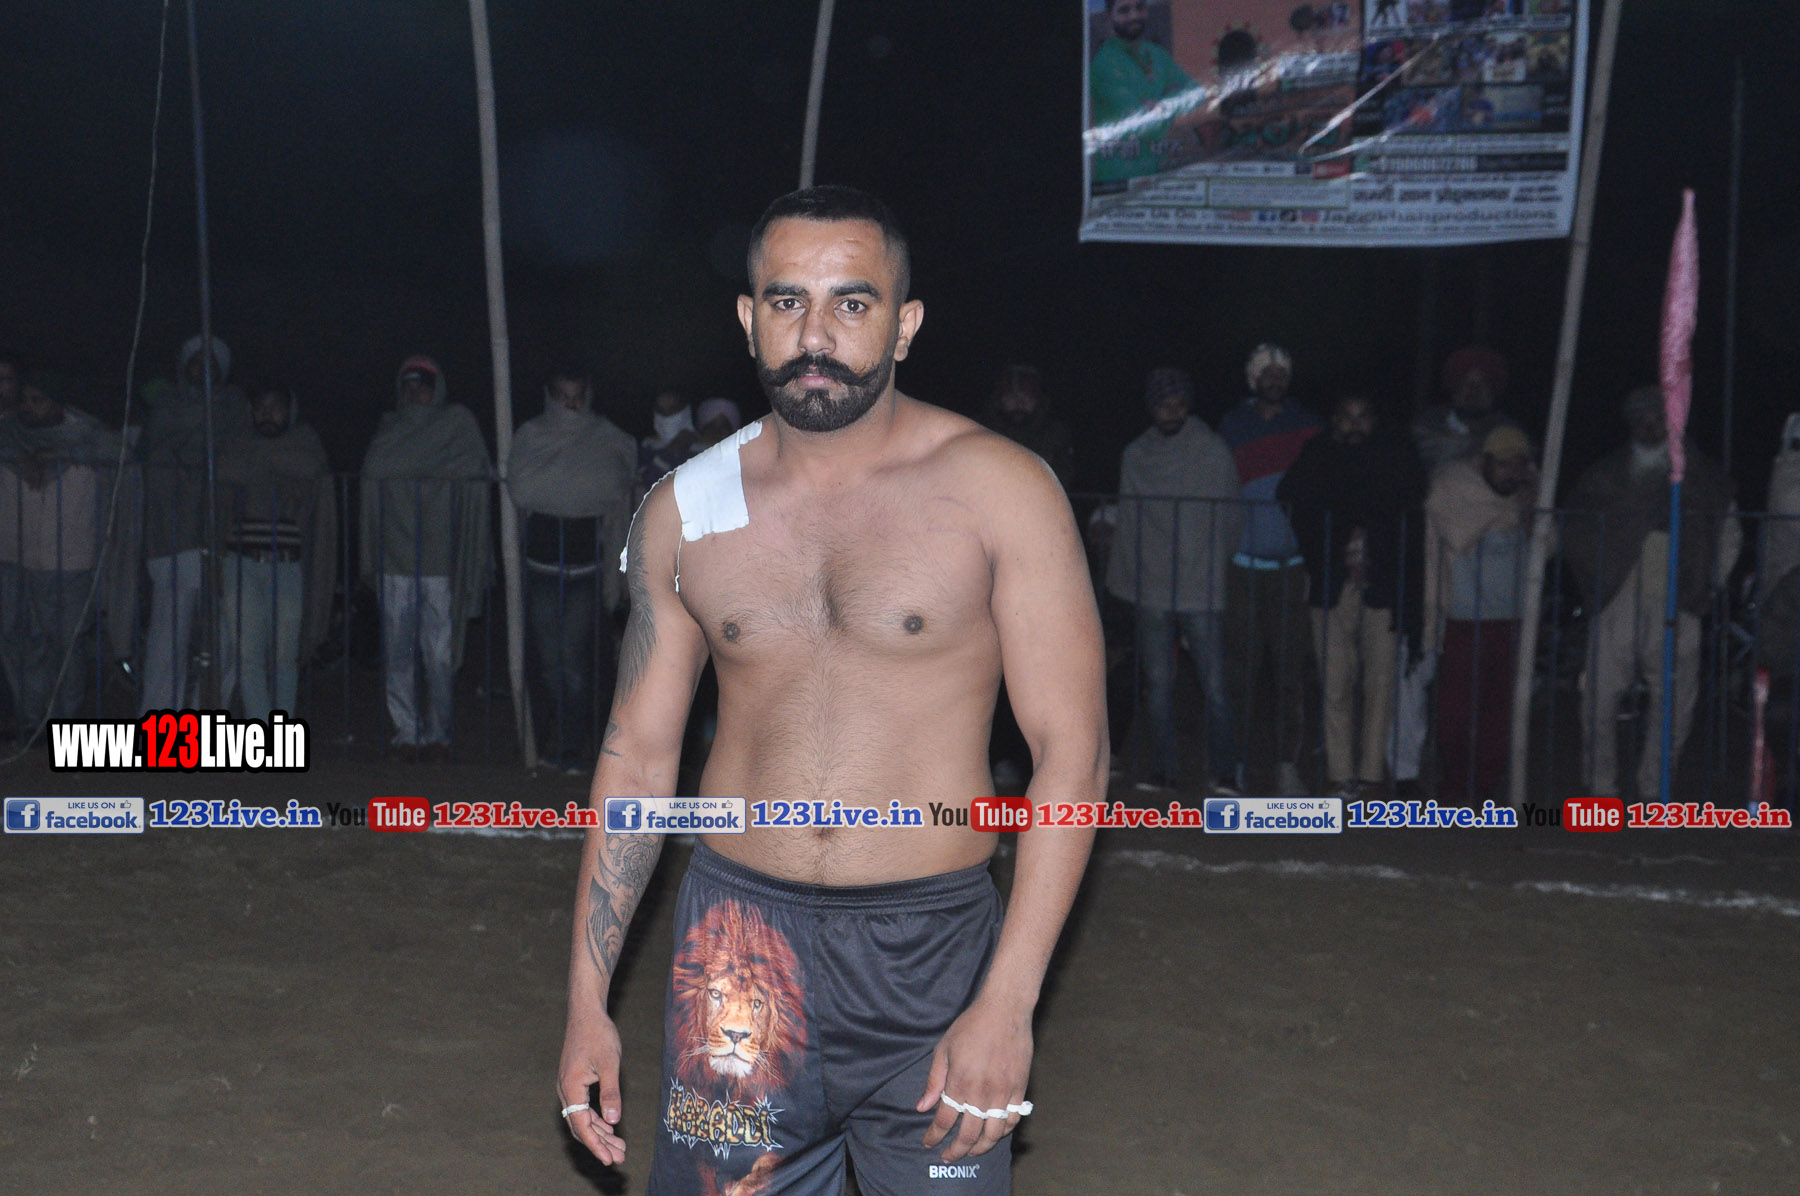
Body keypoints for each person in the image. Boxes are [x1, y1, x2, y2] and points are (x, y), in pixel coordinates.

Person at [557, 186, 1105, 1196]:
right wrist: (588, 1001)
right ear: (747, 317)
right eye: (787, 302)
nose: (816, 336)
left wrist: (1009, 1001)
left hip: (931, 955)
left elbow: (1073, 752)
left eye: (852, 303)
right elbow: (637, 754)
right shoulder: (683, 510)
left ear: (906, 323)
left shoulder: (1001, 489)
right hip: (735, 949)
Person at [1564, 386, 1738, 799]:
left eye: (1658, 417)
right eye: (1642, 418)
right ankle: (1601, 788)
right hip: (1616, 595)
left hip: (1681, 596)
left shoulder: (1705, 477)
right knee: (1599, 696)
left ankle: (1655, 789)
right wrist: (1595, 578)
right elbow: (1577, 528)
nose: (1650, 425)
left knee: (1674, 702)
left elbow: (1728, 533)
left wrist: (1711, 583)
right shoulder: (1605, 475)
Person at [1279, 393, 1425, 797]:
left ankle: (1372, 775)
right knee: (1335, 681)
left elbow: (1410, 513)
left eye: (1363, 417)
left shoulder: (1396, 459)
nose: (1355, 425)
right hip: (1331, 583)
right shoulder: (1318, 456)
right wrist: (1328, 543)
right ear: (1335, 420)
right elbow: (1292, 499)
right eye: (1347, 417)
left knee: (1380, 682)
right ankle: (1340, 774)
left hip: (1382, 586)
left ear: (1375, 421)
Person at [1105, 367, 1242, 793]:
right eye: (1164, 404)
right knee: (1158, 686)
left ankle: (1225, 771)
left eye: (1179, 403)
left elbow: (1231, 517)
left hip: (1201, 587)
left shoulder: (1212, 451)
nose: (1172, 411)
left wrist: (1214, 566)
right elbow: (1129, 521)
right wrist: (1125, 580)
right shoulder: (1136, 455)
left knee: (1215, 686)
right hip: (1153, 587)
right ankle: (1165, 769)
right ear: (1152, 408)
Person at [359, 356, 492, 761]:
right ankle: (406, 731)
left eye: (424, 385)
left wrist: (412, 466)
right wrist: (435, 467)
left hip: (441, 558)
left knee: (439, 654)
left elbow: (475, 466)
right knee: (397, 652)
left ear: (438, 388)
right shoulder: (390, 427)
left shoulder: (457, 423)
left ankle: (439, 731)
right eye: (409, 385)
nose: (416, 393)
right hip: (395, 557)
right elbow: (375, 466)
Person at [507, 366, 637, 773]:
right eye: (563, 396)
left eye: (577, 396)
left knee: (576, 662)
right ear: (550, 396)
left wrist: (564, 489)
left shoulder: (607, 437)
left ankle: (572, 745)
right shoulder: (532, 436)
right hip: (541, 565)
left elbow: (613, 484)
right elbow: (523, 488)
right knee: (548, 661)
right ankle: (549, 737)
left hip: (585, 567)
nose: (570, 406)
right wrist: (571, 489)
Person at [1219, 342, 1319, 795]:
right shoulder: (1232, 426)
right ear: (1252, 378)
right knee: (1239, 671)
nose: (1274, 379)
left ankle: (1286, 766)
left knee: (1289, 672)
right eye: (1266, 372)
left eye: (1281, 372)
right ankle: (1236, 763)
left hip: (1292, 568)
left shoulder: (1307, 426)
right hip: (1241, 567)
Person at [1421, 425, 1537, 803]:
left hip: (1513, 619)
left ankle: (1484, 785)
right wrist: (1513, 508)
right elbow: (1456, 532)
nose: (1511, 473)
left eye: (1519, 465)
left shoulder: (1529, 496)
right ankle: (1455, 782)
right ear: (1485, 461)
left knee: (1498, 711)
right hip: (1463, 617)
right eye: (1503, 464)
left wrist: (1530, 509)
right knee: (1454, 712)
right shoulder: (1455, 486)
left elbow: (1546, 542)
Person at [0, 375, 121, 734]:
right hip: (18, 554)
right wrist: (19, 457)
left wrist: (56, 455)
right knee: (23, 641)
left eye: (39, 400)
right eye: (26, 399)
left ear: (58, 403)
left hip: (70, 557)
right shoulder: (11, 434)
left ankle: (66, 721)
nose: (29, 407)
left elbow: (119, 453)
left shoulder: (86, 434)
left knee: (66, 644)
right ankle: (32, 720)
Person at [213, 383, 336, 722]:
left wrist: (261, 460)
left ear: (289, 411)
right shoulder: (238, 440)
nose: (268, 414)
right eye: (261, 407)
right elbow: (224, 469)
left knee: (285, 656)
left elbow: (311, 467)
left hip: (287, 564)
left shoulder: (304, 438)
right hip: (240, 562)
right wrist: (275, 464)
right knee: (248, 656)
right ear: (251, 412)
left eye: (276, 407)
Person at [139, 335, 248, 710]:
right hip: (173, 533)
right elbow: (155, 449)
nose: (203, 368)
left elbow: (237, 457)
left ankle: (210, 710)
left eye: (211, 362)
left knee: (225, 633)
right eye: (196, 360)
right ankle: (159, 715)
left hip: (221, 533)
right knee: (169, 632)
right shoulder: (167, 405)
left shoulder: (235, 408)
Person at [1088, 0, 1200, 184]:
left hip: (1157, 176)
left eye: (1139, 8)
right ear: (1109, 17)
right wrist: (1173, 99)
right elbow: (1146, 123)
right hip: (1118, 180)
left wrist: (1162, 105)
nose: (1134, 15)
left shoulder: (1156, 53)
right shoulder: (1104, 64)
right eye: (1124, 10)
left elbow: (1197, 93)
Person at [980, 364, 1074, 489]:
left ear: (1037, 400)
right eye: (1012, 396)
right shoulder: (981, 430)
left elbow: (1063, 476)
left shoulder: (1054, 434)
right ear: (1000, 399)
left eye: (1026, 396)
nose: (1019, 402)